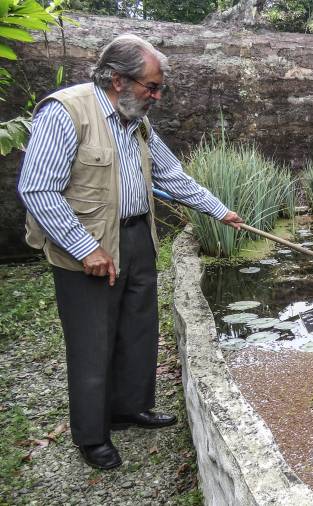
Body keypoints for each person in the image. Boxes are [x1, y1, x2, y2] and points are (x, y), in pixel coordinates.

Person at [17, 33, 243, 470]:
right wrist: (86, 248)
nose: (157, 95)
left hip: (137, 237)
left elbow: (171, 175)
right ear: (119, 80)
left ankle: (130, 408)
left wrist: (220, 211)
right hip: (87, 245)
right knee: (92, 342)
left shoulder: (135, 118)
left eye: (159, 87)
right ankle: (92, 435)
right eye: (152, 86)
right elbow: (38, 188)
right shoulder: (66, 112)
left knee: (138, 328)